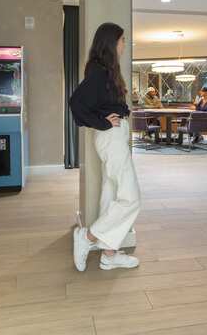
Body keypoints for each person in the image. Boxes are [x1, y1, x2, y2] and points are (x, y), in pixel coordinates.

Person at [69, 22, 141, 272]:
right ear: (111, 42)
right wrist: (102, 122)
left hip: (112, 136)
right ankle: (88, 237)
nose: (124, 44)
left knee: (111, 194)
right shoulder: (99, 71)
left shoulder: (104, 70)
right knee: (131, 198)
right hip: (111, 137)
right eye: (122, 40)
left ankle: (109, 254)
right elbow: (76, 102)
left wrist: (116, 116)